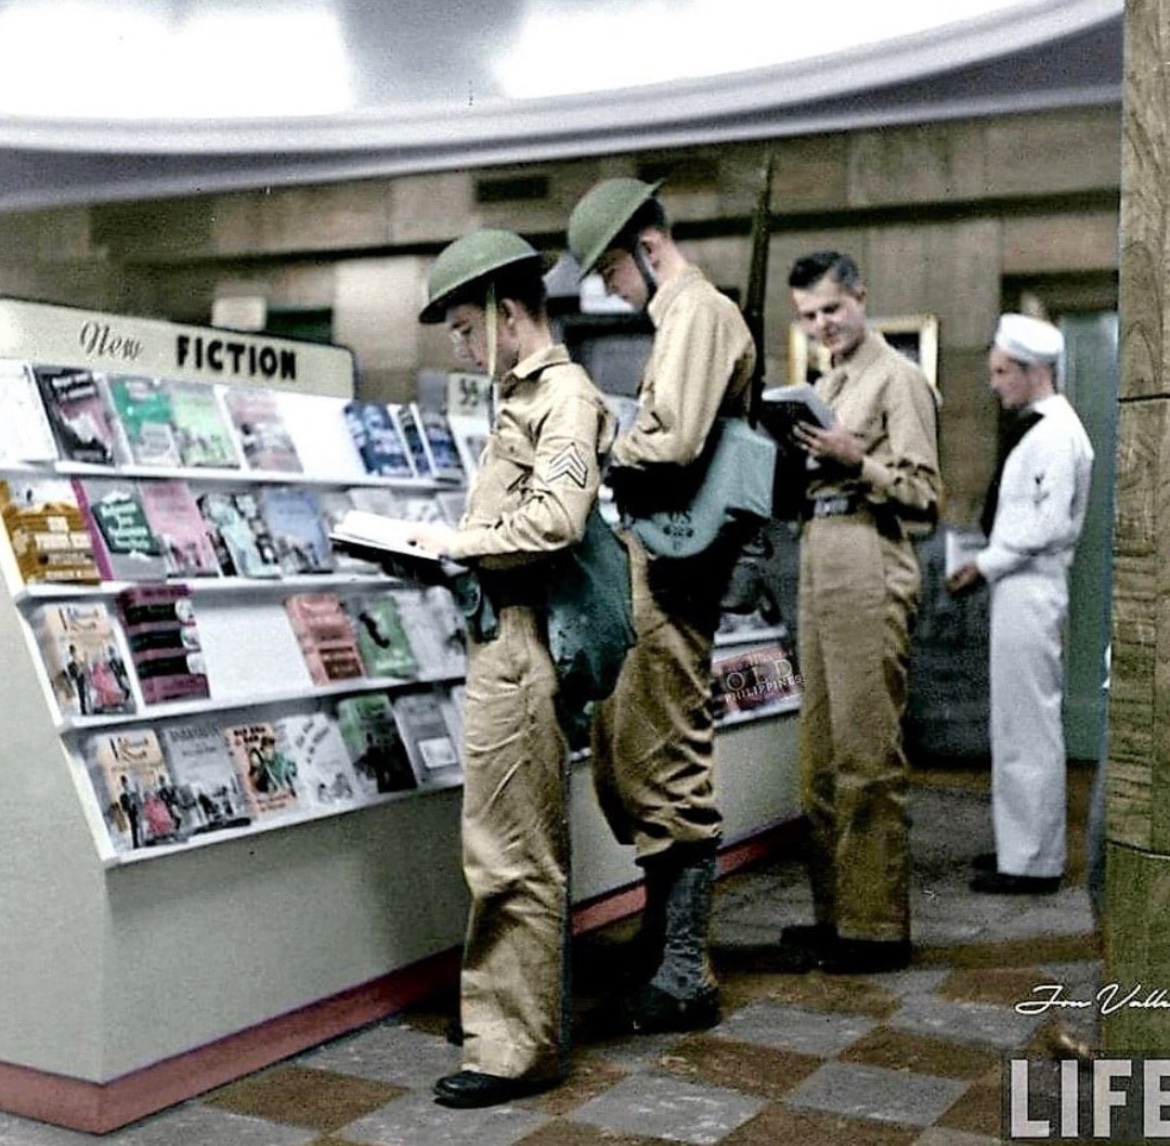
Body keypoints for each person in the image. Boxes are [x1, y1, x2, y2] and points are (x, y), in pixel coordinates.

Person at [405, 228, 615, 1109]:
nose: (461, 347)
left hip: (524, 644)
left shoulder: (561, 397)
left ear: (505, 311)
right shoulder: (526, 396)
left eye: (463, 328)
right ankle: (507, 1017)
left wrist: (454, 544)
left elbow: (557, 521)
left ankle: (515, 1047)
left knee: (512, 853)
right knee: (502, 845)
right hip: (504, 638)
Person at [566, 177, 755, 1031]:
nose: (609, 292)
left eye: (611, 273)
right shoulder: (685, 318)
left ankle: (685, 971)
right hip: (662, 557)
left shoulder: (696, 313)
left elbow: (673, 435)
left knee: (668, 754)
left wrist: (599, 438)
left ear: (647, 249)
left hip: (677, 569)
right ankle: (660, 944)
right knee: (637, 748)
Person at [776, 250, 942, 975]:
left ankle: (876, 927)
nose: (822, 326)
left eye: (831, 310)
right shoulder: (827, 383)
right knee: (818, 759)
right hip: (822, 550)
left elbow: (928, 498)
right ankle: (835, 914)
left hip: (871, 556)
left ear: (860, 299)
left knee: (866, 755)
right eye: (808, 315)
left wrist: (855, 458)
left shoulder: (897, 380)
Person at [947, 313, 1094, 895]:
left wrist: (984, 563)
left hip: (1031, 586)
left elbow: (1047, 524)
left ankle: (1033, 860)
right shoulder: (1039, 429)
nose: (995, 383)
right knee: (1014, 725)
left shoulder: (1057, 434)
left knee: (1028, 728)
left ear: (1036, 372)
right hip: (1017, 585)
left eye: (1003, 372)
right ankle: (1021, 847)